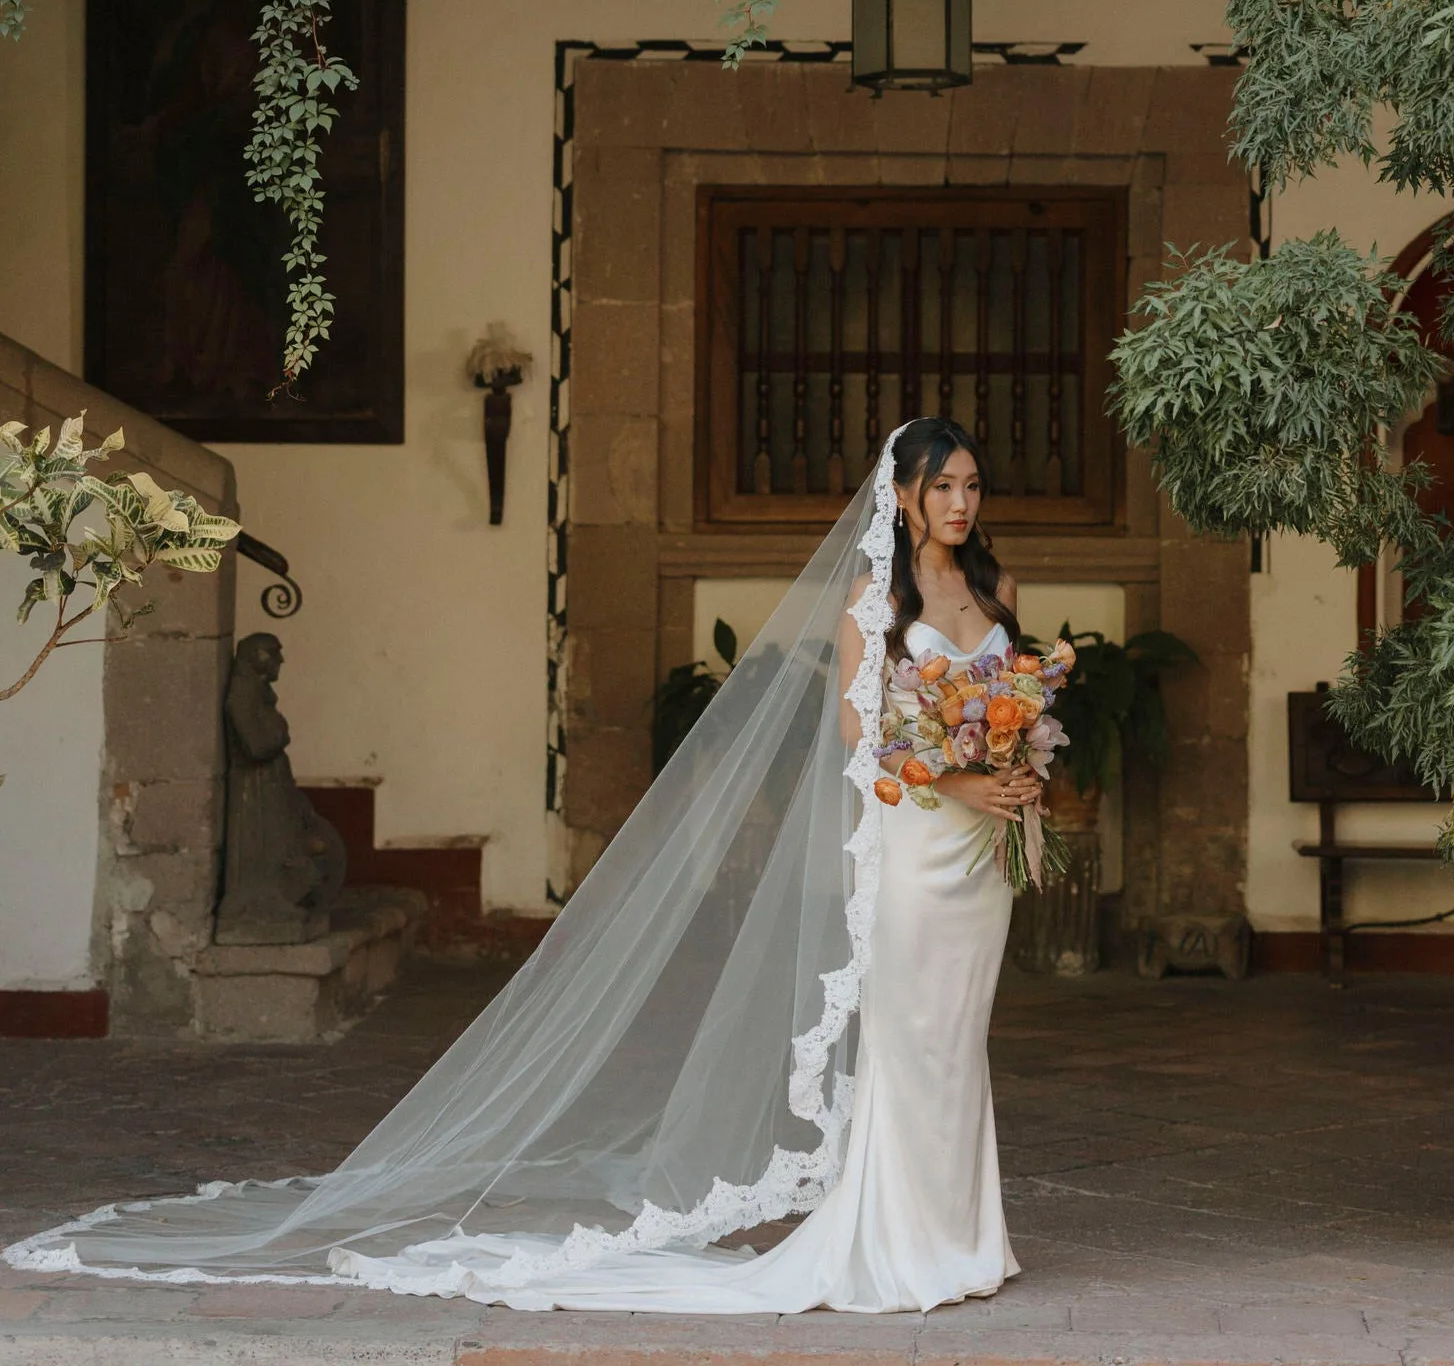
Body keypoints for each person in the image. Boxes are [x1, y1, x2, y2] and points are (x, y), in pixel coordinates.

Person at [7, 421, 1043, 1314]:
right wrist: (956, 782)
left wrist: (1021, 759)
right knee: (907, 1039)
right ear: (900, 494)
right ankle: (900, 1243)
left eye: (971, 485)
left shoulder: (995, 582)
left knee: (960, 1036)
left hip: (978, 858)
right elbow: (861, 741)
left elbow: (1019, 694)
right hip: (914, 844)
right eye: (940, 484)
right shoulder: (870, 596)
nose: (959, 501)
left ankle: (964, 1240)